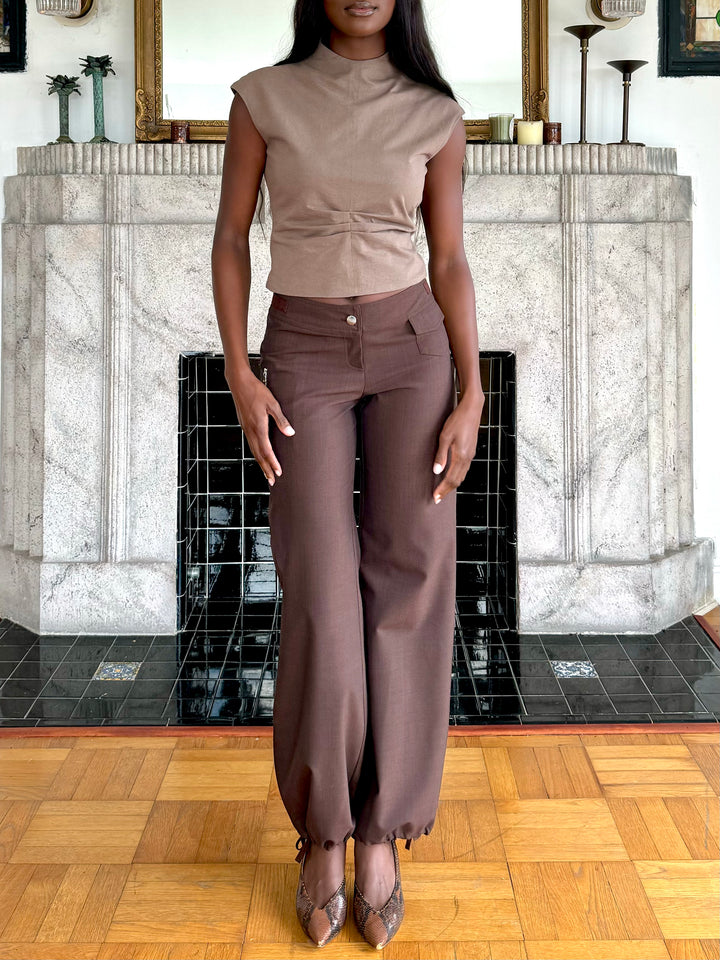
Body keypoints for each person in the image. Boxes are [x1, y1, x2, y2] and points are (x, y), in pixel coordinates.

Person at [212, 0, 484, 948]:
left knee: (411, 577)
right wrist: (241, 370)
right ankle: (321, 831)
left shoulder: (434, 111)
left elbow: (448, 257)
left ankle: (382, 832)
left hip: (414, 347)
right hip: (303, 349)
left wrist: (473, 389)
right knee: (323, 589)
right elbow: (232, 237)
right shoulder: (265, 98)